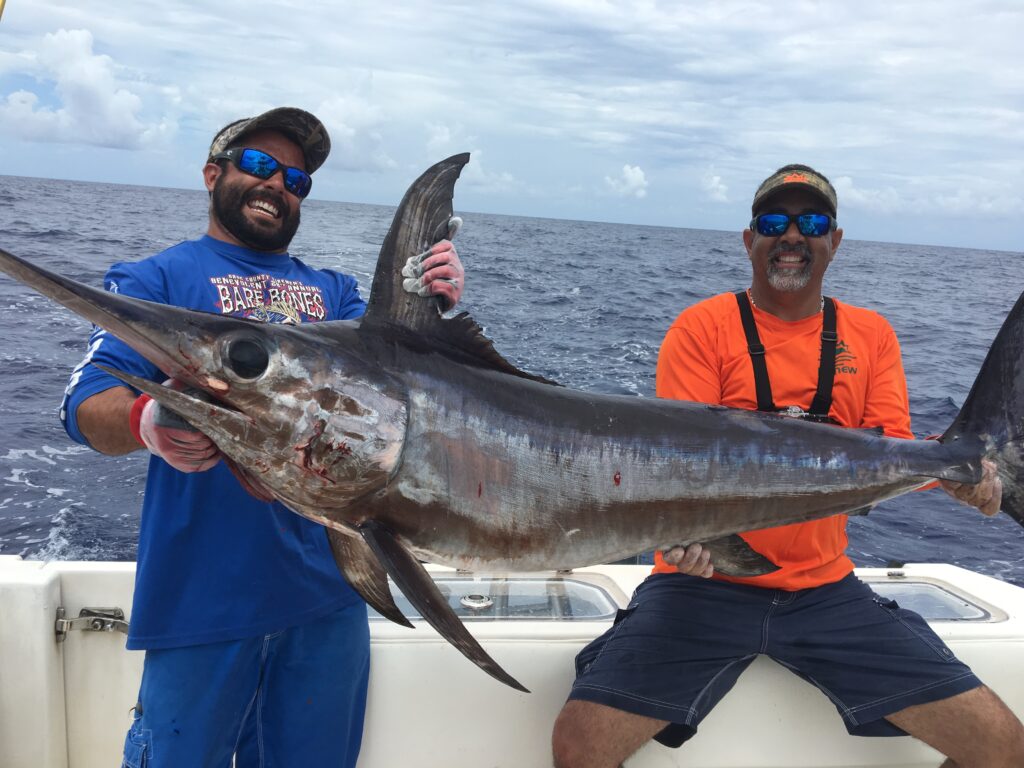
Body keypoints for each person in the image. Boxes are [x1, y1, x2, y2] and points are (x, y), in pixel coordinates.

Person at [551, 164, 1024, 768]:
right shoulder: (701, 329)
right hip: (702, 586)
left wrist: (964, 478)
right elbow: (677, 469)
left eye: (812, 222)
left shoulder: (872, 335)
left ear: (835, 240)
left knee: (1001, 745)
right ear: (750, 240)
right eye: (774, 222)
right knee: (578, 745)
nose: (792, 236)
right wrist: (691, 543)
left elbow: (895, 452)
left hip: (824, 591)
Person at [60, 107, 465, 767]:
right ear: (212, 173)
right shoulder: (156, 280)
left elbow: (404, 382)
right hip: (201, 606)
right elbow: (83, 407)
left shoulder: (334, 293)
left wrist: (435, 312)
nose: (277, 182)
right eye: (258, 165)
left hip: (329, 602)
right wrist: (146, 422)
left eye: (296, 179)